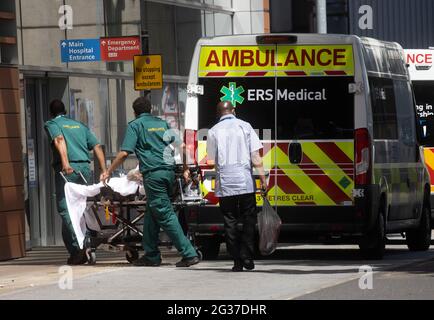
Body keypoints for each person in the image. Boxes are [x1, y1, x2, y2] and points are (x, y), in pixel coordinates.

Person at [101, 97, 199, 267]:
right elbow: (182, 147)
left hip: (153, 175)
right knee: (152, 212)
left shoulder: (135, 125)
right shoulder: (162, 124)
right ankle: (151, 254)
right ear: (151, 110)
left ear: (135, 111)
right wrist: (184, 169)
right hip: (168, 174)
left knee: (165, 214)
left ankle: (189, 253)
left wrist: (108, 171)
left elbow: (125, 153)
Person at [44, 99, 107, 265]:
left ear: (51, 112)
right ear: (65, 110)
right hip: (85, 169)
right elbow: (97, 147)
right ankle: (74, 252)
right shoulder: (79, 125)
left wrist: (65, 163)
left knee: (66, 209)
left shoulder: (52, 124)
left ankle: (84, 245)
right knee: (81, 207)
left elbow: (58, 139)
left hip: (68, 171)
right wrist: (104, 170)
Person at [206, 101, 267, 272]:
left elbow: (212, 160)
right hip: (245, 182)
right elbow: (255, 156)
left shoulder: (213, 132)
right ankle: (246, 255)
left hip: (225, 184)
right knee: (249, 220)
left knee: (230, 222)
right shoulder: (245, 126)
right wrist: (262, 178)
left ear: (219, 113)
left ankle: (236, 261)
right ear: (233, 110)